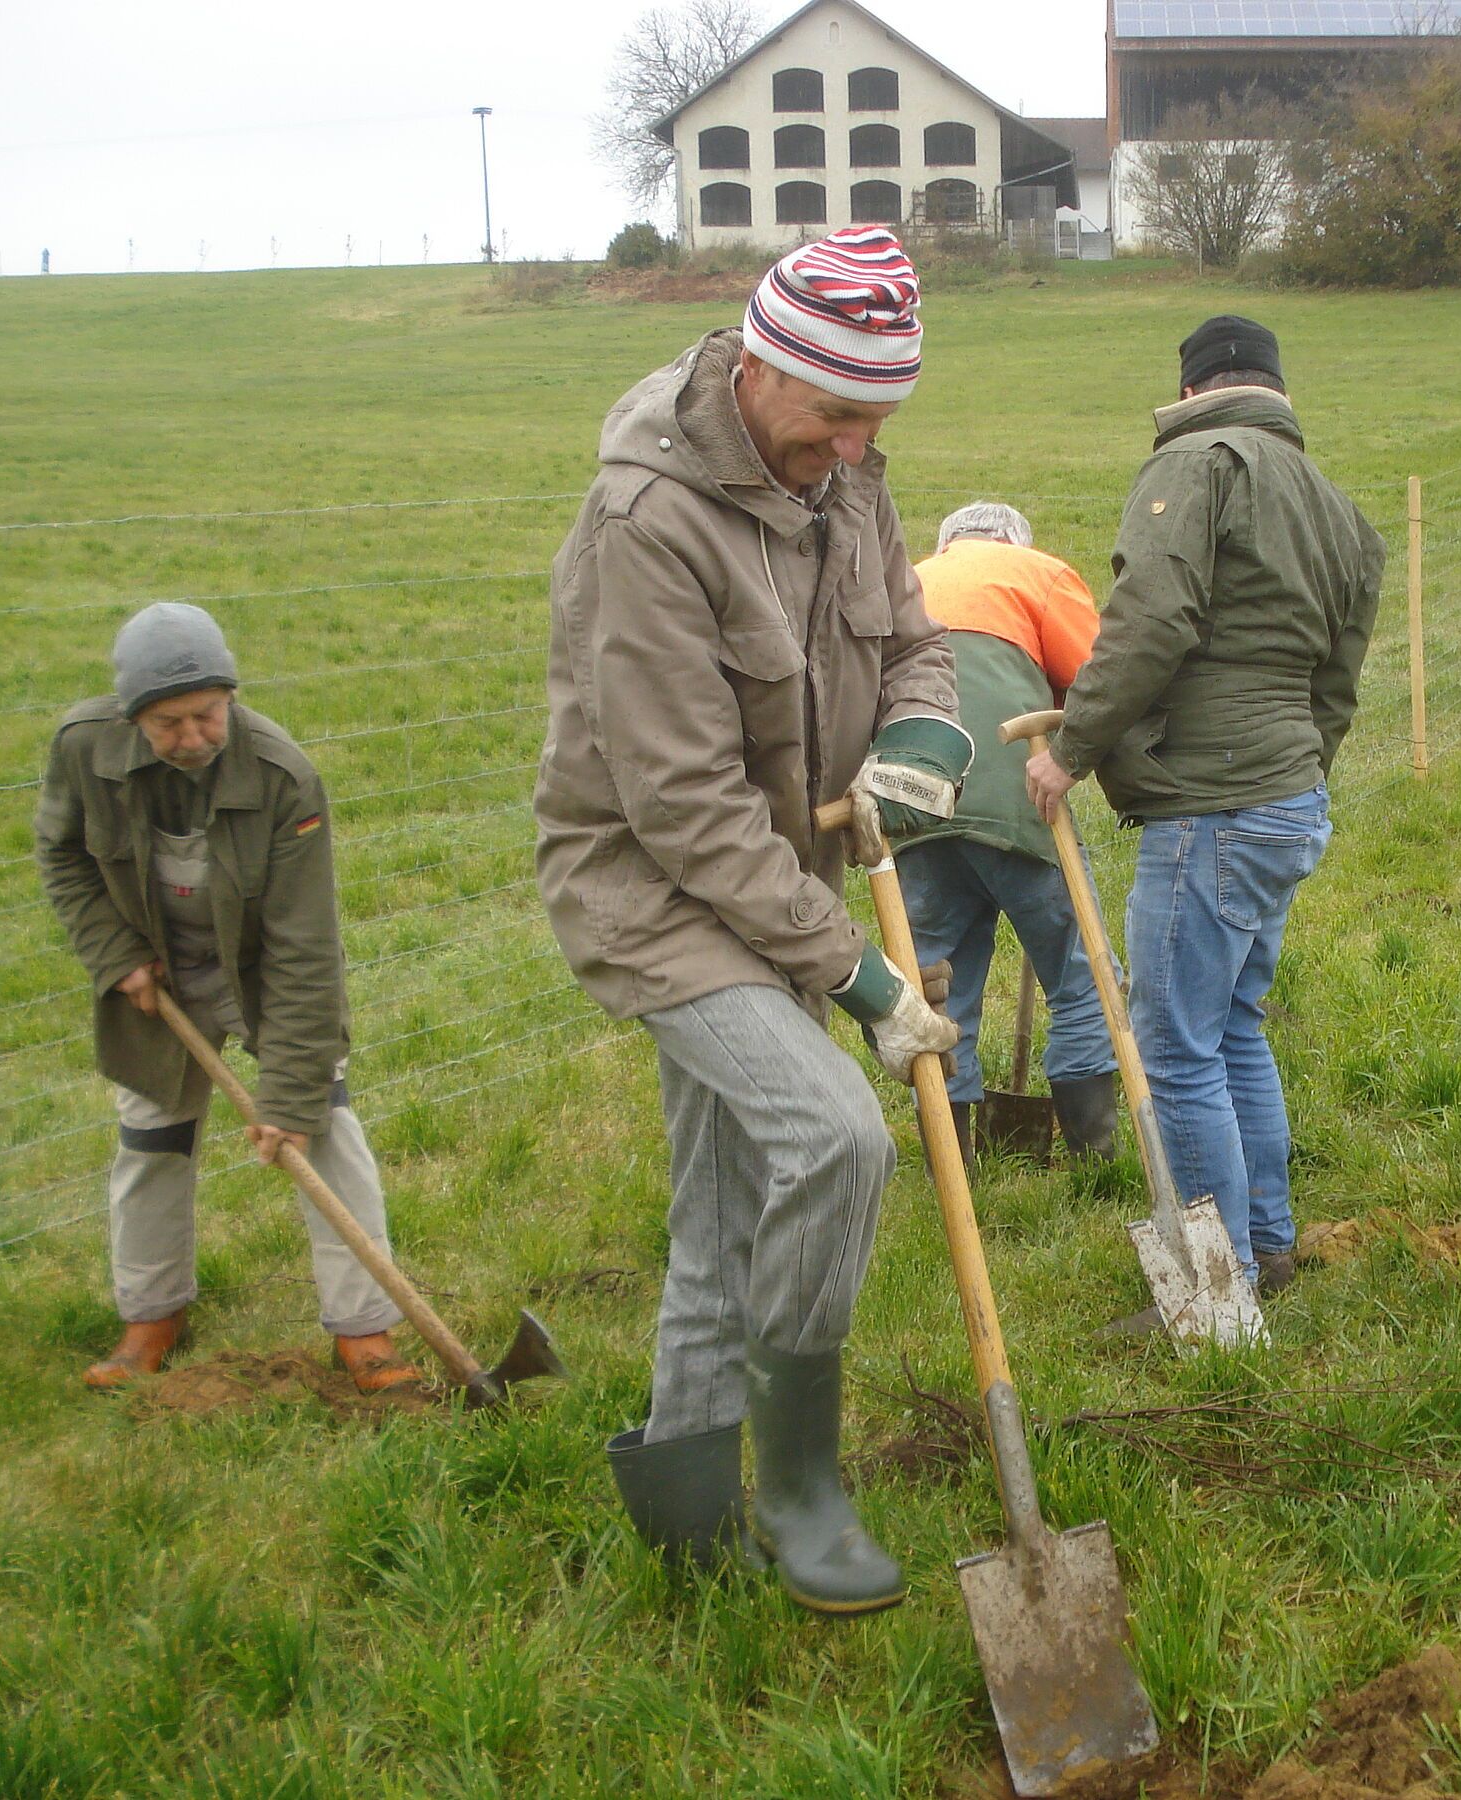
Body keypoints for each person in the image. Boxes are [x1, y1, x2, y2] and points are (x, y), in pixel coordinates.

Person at [536, 227, 966, 1616]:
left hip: (779, 880)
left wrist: (919, 738)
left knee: (723, 1206)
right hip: (660, 895)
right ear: (763, 362)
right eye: (837, 412)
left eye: (877, 420)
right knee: (834, 1136)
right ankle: (798, 1488)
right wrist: (860, 980)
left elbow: (912, 641)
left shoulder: (847, 478)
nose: (852, 446)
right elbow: (681, 809)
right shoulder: (647, 523)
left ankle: (679, 1495)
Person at [1023, 314, 1384, 1294]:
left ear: (1191, 390)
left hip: (1214, 812)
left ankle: (1214, 1294)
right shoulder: (1340, 509)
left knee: (1177, 1050)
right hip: (1285, 800)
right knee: (1232, 1029)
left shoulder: (1199, 462)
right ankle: (1266, 1252)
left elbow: (1152, 616)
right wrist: (1292, 780)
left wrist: (1071, 748)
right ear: (1274, 384)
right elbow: (1336, 689)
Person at [32, 603, 419, 1394]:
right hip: (159, 975)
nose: (193, 736)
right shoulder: (83, 749)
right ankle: (151, 1316)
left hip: (263, 973)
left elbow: (304, 946)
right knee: (150, 1140)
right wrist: (116, 956)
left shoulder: (281, 776)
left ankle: (365, 1333)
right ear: (132, 715)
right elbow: (63, 856)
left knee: (326, 1129)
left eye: (207, 714)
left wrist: (288, 1094)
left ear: (231, 697)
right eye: (168, 722)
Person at [896, 502, 1120, 1160]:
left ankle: (951, 1161)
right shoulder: (1038, 572)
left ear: (948, 545)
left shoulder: (905, 579)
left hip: (914, 802)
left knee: (939, 988)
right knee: (1078, 974)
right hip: (1015, 795)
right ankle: (1093, 1157)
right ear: (1015, 541)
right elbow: (1096, 679)